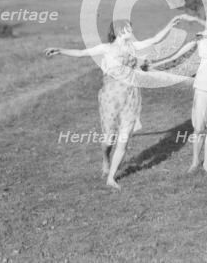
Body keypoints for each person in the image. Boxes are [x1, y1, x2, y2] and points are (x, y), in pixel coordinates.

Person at [45, 16, 181, 189]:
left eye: (131, 27)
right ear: (119, 31)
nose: (131, 30)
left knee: (123, 139)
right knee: (109, 140)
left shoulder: (133, 47)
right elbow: (81, 53)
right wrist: (60, 50)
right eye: (128, 28)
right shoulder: (106, 48)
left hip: (130, 98)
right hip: (110, 98)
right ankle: (105, 158)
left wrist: (169, 25)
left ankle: (111, 177)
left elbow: (154, 39)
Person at [152, 6, 207, 174]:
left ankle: (206, 164)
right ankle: (195, 161)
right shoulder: (200, 36)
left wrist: (195, 20)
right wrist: (158, 64)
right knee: (198, 127)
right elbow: (182, 51)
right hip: (203, 84)